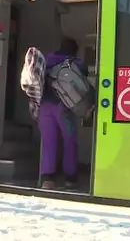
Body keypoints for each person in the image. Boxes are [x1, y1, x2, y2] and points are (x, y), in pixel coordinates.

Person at [38, 37, 88, 190]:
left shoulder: (46, 59)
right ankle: (70, 178)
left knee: (49, 141)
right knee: (69, 141)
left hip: (45, 106)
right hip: (65, 108)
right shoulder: (76, 62)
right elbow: (83, 79)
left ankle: (48, 179)